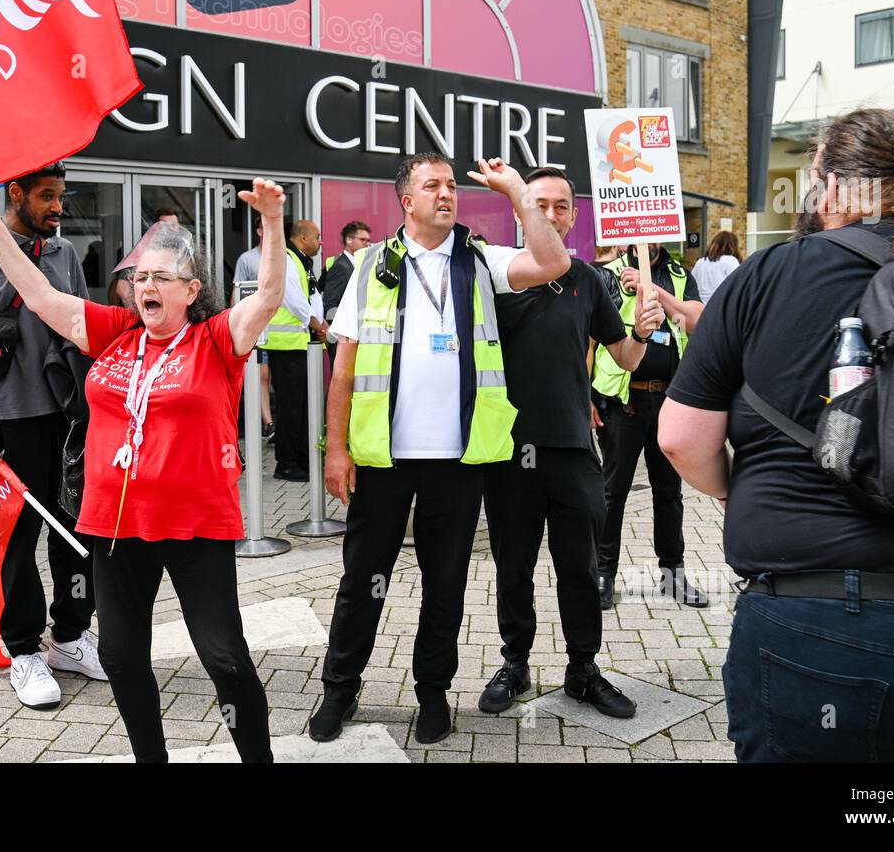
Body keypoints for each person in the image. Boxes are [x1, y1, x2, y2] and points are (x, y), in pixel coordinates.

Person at [660, 107, 894, 762]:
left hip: (828, 627)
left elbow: (682, 439)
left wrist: (731, 492)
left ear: (828, 188)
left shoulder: (773, 274)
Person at [0, 173, 290, 763]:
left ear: (190, 289)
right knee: (124, 657)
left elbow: (269, 298)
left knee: (224, 657)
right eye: (139, 276)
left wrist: (273, 225)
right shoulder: (116, 333)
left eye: (161, 278)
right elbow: (42, 298)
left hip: (195, 526)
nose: (145, 285)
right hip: (115, 526)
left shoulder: (215, 340)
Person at [310, 152, 569, 745]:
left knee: (445, 583)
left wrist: (514, 192)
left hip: (458, 459)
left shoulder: (480, 259)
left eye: (452, 185)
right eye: (433, 185)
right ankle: (339, 690)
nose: (447, 193)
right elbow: (344, 367)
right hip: (382, 459)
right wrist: (335, 449)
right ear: (407, 201)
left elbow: (553, 260)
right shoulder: (372, 263)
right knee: (361, 581)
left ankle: (432, 692)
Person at [479, 167, 664, 718]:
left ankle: (583, 669)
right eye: (542, 204)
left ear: (575, 215)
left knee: (579, 569)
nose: (553, 214)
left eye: (562, 206)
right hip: (508, 451)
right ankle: (515, 664)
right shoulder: (494, 275)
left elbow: (624, 360)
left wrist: (641, 333)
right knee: (513, 566)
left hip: (574, 450)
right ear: (521, 210)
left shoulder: (588, 279)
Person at [0, 162, 103, 709]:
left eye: (61, 196)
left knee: (76, 531)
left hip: (71, 419)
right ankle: (24, 649)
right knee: (17, 538)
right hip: (9, 421)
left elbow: (83, 335)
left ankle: (73, 636)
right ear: (15, 194)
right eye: (48, 197)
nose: (58, 207)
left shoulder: (65, 255)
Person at [591, 242, 706, 611]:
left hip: (671, 400)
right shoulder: (608, 276)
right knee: (613, 493)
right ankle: (603, 574)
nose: (648, 238)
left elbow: (696, 320)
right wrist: (585, 396)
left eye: (655, 231)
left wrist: (654, 292)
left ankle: (673, 573)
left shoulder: (678, 276)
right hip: (623, 404)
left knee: (669, 492)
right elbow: (589, 339)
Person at [263, 220, 326, 482]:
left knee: (302, 407)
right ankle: (286, 464)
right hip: (286, 346)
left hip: (300, 345)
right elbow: (294, 298)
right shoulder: (288, 259)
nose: (320, 241)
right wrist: (315, 322)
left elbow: (311, 296)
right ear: (302, 238)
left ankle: (302, 459)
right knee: (290, 408)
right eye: (317, 236)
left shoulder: (301, 261)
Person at [232, 221, 273, 437]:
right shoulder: (247, 259)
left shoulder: (282, 258)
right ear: (258, 231)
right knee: (262, 374)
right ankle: (268, 421)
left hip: (283, 330)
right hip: (259, 327)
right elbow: (238, 290)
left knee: (270, 375)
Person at [322, 220, 372, 362]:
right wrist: (342, 332)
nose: (367, 244)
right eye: (363, 240)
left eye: (369, 240)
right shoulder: (341, 266)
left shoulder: (356, 263)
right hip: (342, 337)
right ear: (349, 240)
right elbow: (331, 303)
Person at [691, 230, 743, 304]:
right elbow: (739, 286)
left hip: (700, 307)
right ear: (733, 245)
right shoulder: (730, 260)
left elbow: (691, 283)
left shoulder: (700, 262)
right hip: (720, 307)